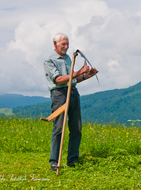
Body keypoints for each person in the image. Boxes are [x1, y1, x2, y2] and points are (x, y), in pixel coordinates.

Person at [43, 33, 98, 171]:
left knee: (76, 128)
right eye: (63, 44)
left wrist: (86, 76)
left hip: (73, 92)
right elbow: (59, 80)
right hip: (59, 94)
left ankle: (72, 160)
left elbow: (72, 79)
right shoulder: (49, 60)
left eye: (68, 44)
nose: (66, 47)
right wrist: (78, 72)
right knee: (59, 128)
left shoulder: (68, 58)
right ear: (55, 44)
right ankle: (54, 162)